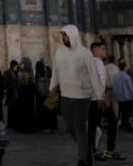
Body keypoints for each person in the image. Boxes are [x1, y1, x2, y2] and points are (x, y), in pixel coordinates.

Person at [49, 25, 104, 166]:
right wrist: (52, 90)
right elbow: (55, 72)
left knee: (79, 127)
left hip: (82, 96)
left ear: (72, 35)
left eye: (65, 35)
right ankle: (87, 149)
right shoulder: (59, 51)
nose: (63, 38)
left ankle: (82, 159)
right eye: (62, 36)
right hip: (65, 95)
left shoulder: (84, 53)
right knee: (70, 127)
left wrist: (99, 96)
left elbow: (93, 75)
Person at [87, 43, 125, 161]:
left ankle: (96, 151)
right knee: (103, 124)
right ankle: (103, 151)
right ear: (96, 50)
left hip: (94, 99)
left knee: (95, 126)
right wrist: (102, 97)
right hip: (96, 100)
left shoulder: (92, 62)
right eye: (103, 49)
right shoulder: (97, 63)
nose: (105, 51)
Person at [112, 61, 133, 132]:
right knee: (127, 112)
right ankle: (127, 125)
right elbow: (130, 87)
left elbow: (115, 87)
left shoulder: (115, 76)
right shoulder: (126, 76)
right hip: (128, 97)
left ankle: (123, 124)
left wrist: (116, 97)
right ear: (125, 67)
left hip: (120, 98)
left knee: (123, 111)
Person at [14, 57, 36, 133]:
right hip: (29, 93)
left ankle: (22, 127)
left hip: (22, 92)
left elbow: (18, 82)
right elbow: (33, 82)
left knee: (22, 110)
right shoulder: (31, 72)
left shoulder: (20, 72)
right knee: (29, 110)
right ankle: (30, 127)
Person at [34, 60, 57, 132]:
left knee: (41, 112)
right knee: (49, 111)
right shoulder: (47, 73)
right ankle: (51, 126)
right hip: (47, 94)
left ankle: (41, 126)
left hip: (40, 96)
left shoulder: (37, 75)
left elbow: (36, 85)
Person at [4, 59, 19, 129]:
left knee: (12, 109)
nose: (17, 68)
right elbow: (8, 82)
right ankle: (11, 124)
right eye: (16, 66)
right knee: (11, 109)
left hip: (12, 93)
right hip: (11, 93)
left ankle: (12, 123)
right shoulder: (9, 73)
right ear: (13, 66)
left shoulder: (12, 72)